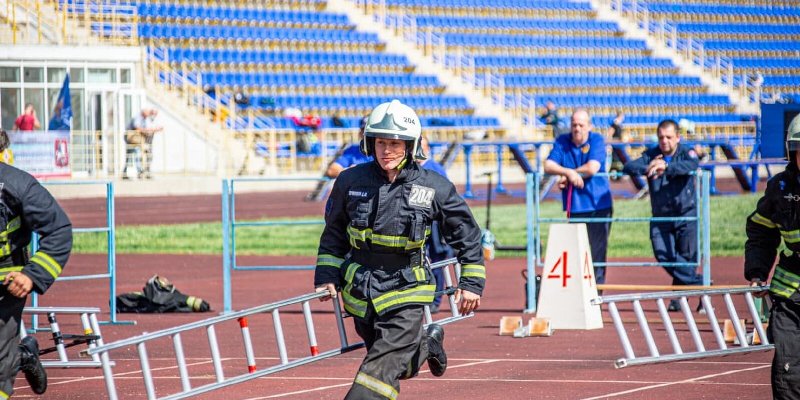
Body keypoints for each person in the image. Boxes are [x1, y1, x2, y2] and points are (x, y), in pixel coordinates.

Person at [314, 100, 485, 399]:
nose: (387, 150)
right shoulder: (349, 181)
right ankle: (427, 344)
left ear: (411, 145)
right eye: (381, 142)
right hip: (362, 292)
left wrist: (470, 283)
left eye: (395, 143)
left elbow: (467, 234)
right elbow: (334, 233)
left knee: (375, 375)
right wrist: (327, 273)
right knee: (400, 367)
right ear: (370, 143)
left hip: (408, 289)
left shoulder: (434, 186)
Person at [0, 128, 72, 396]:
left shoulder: (18, 186)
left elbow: (59, 230)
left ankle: (12, 359)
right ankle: (24, 354)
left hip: (6, 289)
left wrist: (31, 275)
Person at [745, 114, 800, 400]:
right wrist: (757, 271)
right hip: (791, 295)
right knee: (789, 368)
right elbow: (761, 231)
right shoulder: (780, 188)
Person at [622, 119, 702, 311]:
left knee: (685, 257)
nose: (664, 141)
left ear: (677, 137)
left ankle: (677, 300)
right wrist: (651, 166)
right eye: (661, 137)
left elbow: (691, 164)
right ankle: (701, 283)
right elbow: (629, 167)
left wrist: (666, 167)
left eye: (668, 137)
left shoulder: (686, 152)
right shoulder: (651, 154)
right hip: (660, 217)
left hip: (686, 215)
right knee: (664, 255)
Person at [543, 109, 613, 285]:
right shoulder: (562, 141)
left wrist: (570, 175)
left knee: (597, 252)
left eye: (581, 124)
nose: (577, 128)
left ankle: (597, 292)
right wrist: (568, 172)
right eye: (574, 124)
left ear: (589, 126)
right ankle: (578, 290)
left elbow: (592, 168)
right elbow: (548, 165)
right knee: (576, 251)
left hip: (598, 206)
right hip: (574, 206)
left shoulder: (596, 140)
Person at [418, 136, 454, 314]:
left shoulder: (435, 169)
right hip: (417, 222)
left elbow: (446, 198)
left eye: (421, 146)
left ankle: (436, 299)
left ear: (428, 149)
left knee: (438, 260)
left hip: (435, 223)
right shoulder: (409, 169)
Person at [123, 109, 163, 180]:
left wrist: (149, 130)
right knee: (135, 155)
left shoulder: (146, 119)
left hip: (140, 140)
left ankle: (141, 172)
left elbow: (147, 129)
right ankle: (138, 172)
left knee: (141, 155)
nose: (150, 115)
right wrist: (147, 130)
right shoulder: (138, 118)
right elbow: (138, 127)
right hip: (133, 139)